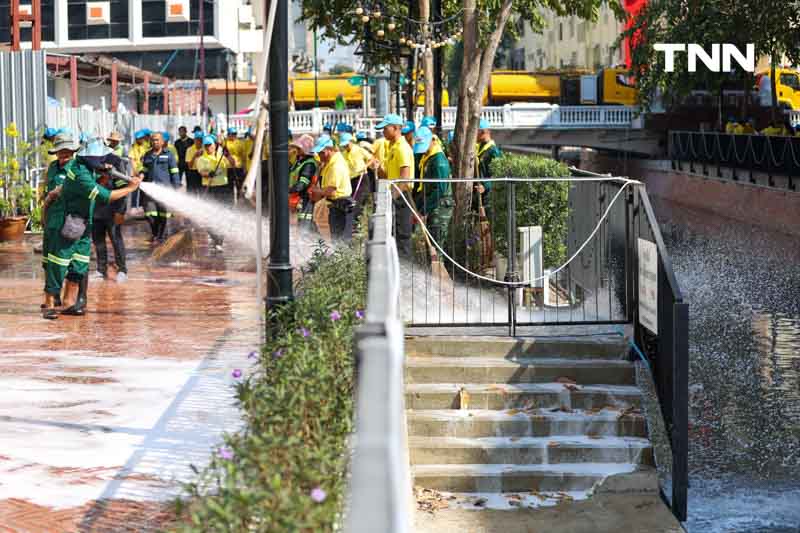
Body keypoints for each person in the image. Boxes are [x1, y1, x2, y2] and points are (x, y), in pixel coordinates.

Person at [41, 134, 141, 319]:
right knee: (58, 264)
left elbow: (104, 174)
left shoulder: (87, 167)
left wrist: (105, 171)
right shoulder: (80, 173)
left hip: (84, 224)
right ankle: (49, 304)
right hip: (67, 224)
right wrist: (131, 188)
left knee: (79, 265)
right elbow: (105, 196)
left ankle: (69, 303)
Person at [86, 141, 128, 283]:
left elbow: (123, 188)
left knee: (116, 240)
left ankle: (122, 270)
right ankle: (100, 269)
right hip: (95, 209)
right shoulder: (88, 160)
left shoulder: (115, 161)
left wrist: (120, 211)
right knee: (98, 241)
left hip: (112, 209)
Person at [376, 113, 414, 256]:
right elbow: (386, 176)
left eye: (385, 128)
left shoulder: (402, 148)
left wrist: (393, 197)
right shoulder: (392, 147)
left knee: (402, 237)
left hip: (401, 197)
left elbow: (404, 177)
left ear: (396, 128)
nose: (383, 132)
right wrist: (379, 168)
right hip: (395, 195)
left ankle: (405, 274)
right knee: (394, 236)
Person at [413, 126, 454, 245]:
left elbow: (440, 189)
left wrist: (424, 210)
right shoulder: (427, 157)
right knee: (430, 242)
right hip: (431, 205)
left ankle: (438, 264)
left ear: (432, 140)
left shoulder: (438, 160)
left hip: (439, 208)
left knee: (437, 243)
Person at [139, 132, 180, 243]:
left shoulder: (169, 155)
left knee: (162, 215)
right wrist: (141, 175)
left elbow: (175, 172)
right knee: (149, 214)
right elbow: (145, 169)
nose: (154, 142)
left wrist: (176, 188)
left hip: (164, 190)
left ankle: (160, 236)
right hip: (150, 190)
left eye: (157, 140)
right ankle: (156, 233)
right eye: (153, 140)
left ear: (162, 142)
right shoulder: (147, 155)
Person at [197, 135, 236, 250]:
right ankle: (215, 237)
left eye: (210, 145)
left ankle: (220, 239)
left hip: (223, 188)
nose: (208, 147)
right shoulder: (201, 158)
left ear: (215, 145)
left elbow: (233, 163)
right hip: (210, 189)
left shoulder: (222, 157)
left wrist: (228, 155)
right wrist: (208, 174)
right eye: (206, 145)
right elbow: (201, 172)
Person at [311, 135, 353, 241]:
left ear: (329, 149)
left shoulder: (336, 165)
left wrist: (317, 191)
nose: (319, 156)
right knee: (335, 237)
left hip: (341, 205)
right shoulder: (329, 163)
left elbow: (331, 191)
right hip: (335, 205)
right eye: (318, 153)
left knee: (340, 240)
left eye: (322, 153)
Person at [339, 132, 371, 228]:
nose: (345, 147)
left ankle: (356, 226)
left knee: (357, 203)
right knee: (350, 203)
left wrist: (366, 166)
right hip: (350, 181)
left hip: (361, 179)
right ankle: (354, 225)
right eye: (344, 145)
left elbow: (371, 159)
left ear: (351, 141)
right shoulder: (343, 154)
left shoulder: (358, 150)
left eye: (346, 144)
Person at [288, 134, 318, 228]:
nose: (296, 149)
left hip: (305, 199)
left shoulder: (309, 164)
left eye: (299, 148)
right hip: (297, 198)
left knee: (304, 228)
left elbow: (302, 185)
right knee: (298, 226)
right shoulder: (299, 161)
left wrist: (287, 190)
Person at [475, 118, 502, 211]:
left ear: (483, 132)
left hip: (488, 196)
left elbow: (498, 174)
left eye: (476, 132)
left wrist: (485, 186)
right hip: (477, 195)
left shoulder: (493, 151)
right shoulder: (478, 147)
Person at [223, 127, 245, 199]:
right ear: (228, 134)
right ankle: (230, 201)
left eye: (235, 134)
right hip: (228, 167)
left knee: (239, 185)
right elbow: (224, 152)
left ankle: (240, 200)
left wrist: (244, 167)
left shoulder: (240, 142)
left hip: (238, 166)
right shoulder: (225, 142)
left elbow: (243, 155)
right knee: (229, 186)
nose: (233, 136)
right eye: (231, 134)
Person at [185, 131, 205, 195]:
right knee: (192, 193)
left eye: (201, 139)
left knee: (203, 193)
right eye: (197, 139)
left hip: (203, 173)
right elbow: (189, 166)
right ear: (194, 140)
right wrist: (195, 156)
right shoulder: (189, 150)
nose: (199, 141)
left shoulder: (205, 149)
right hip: (193, 173)